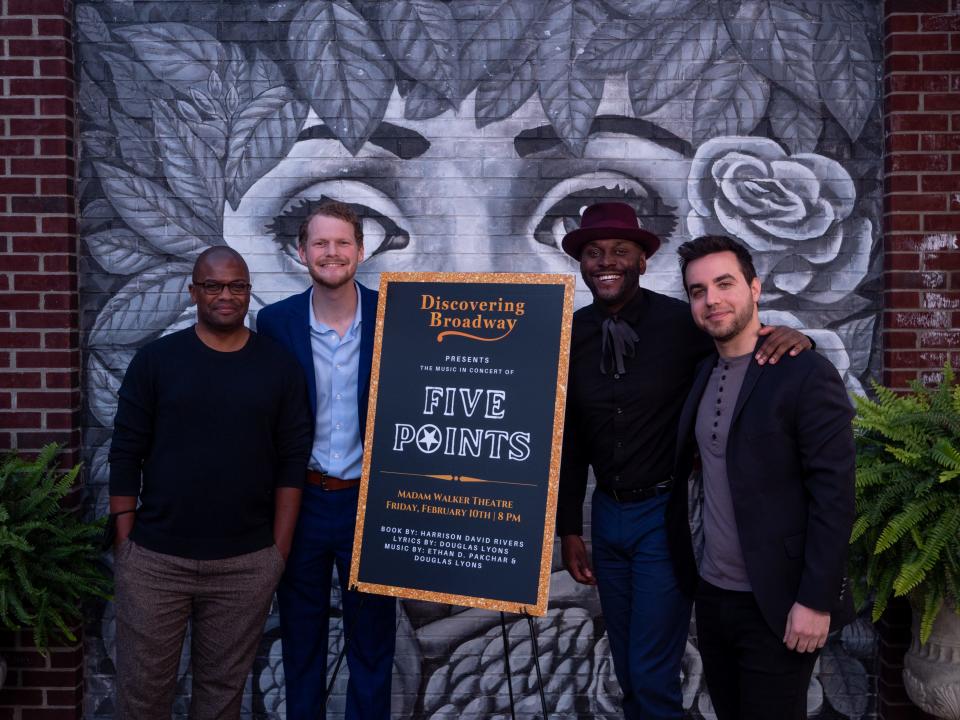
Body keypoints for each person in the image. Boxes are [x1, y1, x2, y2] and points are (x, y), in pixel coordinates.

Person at [556, 202, 812, 720]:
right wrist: (569, 528)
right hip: (605, 516)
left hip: (663, 516)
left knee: (651, 668)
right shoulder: (570, 333)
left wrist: (795, 336)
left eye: (620, 251)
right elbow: (572, 437)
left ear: (643, 262)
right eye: (593, 252)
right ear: (581, 264)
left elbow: (741, 340)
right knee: (627, 665)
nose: (606, 261)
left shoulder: (684, 324)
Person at [108, 246, 312, 720]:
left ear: (248, 290)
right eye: (214, 286)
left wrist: (277, 551)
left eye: (236, 286)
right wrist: (125, 539)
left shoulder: (278, 367)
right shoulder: (157, 361)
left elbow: (291, 460)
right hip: (155, 562)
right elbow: (125, 450)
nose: (226, 295)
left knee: (221, 698)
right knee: (142, 696)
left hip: (245, 564)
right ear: (194, 290)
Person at [668, 235, 855, 720]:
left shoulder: (804, 372)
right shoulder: (701, 372)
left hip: (780, 602)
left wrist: (816, 600)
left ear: (755, 288)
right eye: (698, 290)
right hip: (714, 597)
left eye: (725, 284)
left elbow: (834, 496)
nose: (712, 299)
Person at [256, 200, 396, 720]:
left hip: (371, 504)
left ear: (361, 251)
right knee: (301, 639)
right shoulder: (275, 324)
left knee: (373, 644)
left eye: (342, 243)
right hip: (302, 503)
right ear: (301, 252)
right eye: (320, 242)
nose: (331, 252)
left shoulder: (395, 317)